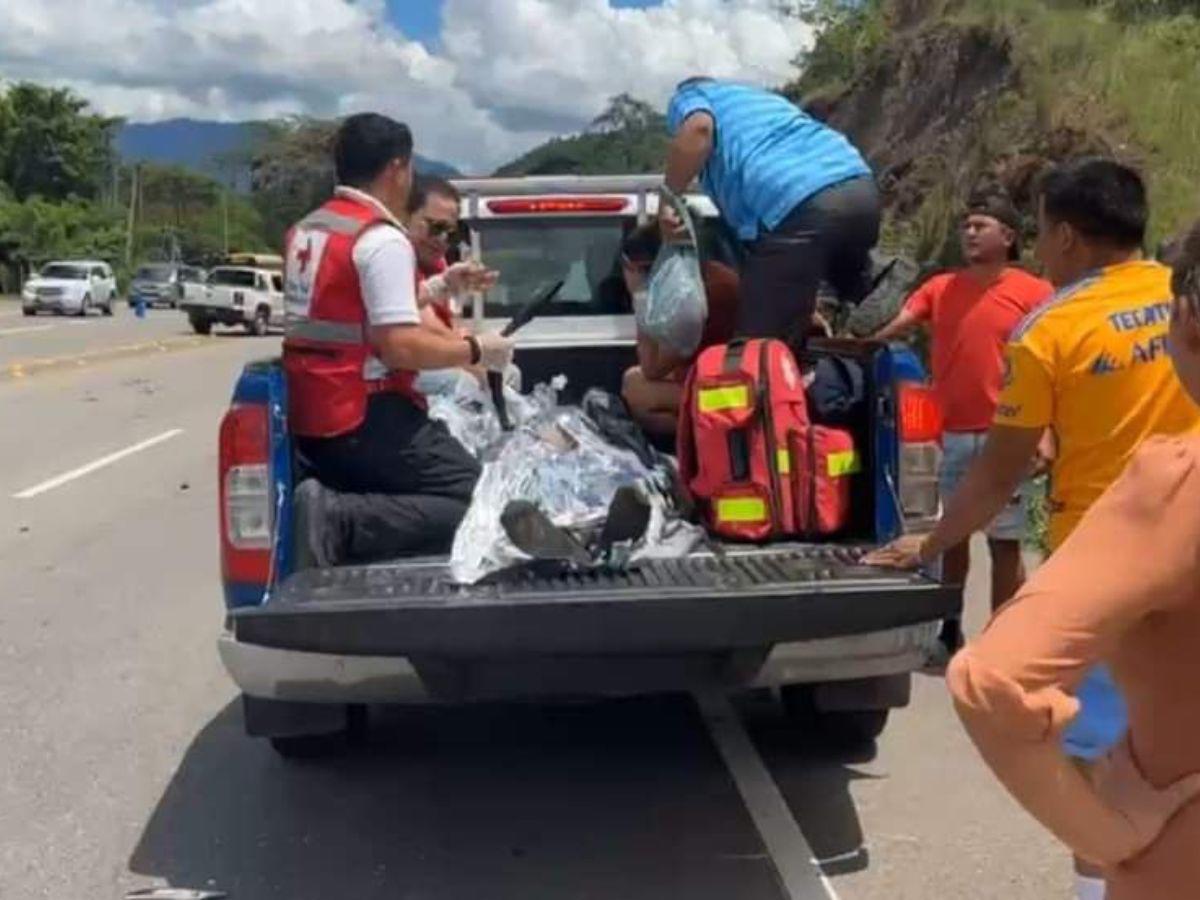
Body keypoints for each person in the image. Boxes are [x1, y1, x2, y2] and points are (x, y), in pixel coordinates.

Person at [866, 158, 1200, 900]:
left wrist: (931, 540)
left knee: (1112, 778)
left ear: (1070, 237)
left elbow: (997, 472)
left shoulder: (1048, 327)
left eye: (1044, 233)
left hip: (1115, 585)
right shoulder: (1178, 291)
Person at [282, 113, 514, 567]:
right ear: (396, 169)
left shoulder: (311, 229)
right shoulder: (382, 239)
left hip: (315, 412)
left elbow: (353, 313)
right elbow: (400, 347)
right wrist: (477, 349)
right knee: (484, 502)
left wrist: (438, 286)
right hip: (364, 414)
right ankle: (341, 521)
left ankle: (339, 512)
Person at [871, 191, 1053, 611]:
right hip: (950, 435)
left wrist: (1045, 431)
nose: (969, 233)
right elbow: (898, 323)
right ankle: (949, 632)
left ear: (1007, 236)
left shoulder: (1035, 292)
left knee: (1005, 544)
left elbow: (1050, 365)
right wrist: (856, 342)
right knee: (950, 538)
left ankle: (1000, 634)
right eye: (966, 226)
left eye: (980, 226)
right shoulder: (940, 288)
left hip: (1008, 434)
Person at [660, 77, 880, 347]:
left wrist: (668, 198)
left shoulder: (691, 95)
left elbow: (699, 130)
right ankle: (866, 288)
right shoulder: (761, 102)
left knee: (754, 347)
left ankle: (855, 296)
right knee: (833, 307)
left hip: (801, 205)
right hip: (861, 190)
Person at [618, 222, 741, 437]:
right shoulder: (718, 276)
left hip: (728, 395)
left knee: (636, 388)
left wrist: (640, 296)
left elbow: (652, 368)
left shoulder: (687, 302)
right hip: (726, 381)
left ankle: (703, 442)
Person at [405, 174, 499, 396]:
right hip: (396, 371)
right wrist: (477, 356)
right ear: (406, 217)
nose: (443, 240)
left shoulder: (437, 262)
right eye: (435, 228)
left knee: (507, 373)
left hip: (431, 358)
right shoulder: (397, 258)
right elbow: (430, 328)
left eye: (452, 233)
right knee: (463, 384)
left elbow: (450, 325)